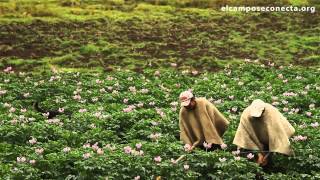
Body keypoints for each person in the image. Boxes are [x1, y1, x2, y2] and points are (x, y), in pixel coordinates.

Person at [233, 99, 295, 167]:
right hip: (256, 141)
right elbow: (246, 136)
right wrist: (259, 154)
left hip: (268, 139)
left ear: (263, 110)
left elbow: (276, 137)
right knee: (245, 152)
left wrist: (267, 156)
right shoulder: (246, 114)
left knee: (279, 154)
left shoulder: (271, 112)